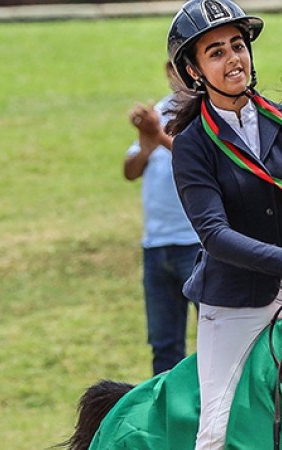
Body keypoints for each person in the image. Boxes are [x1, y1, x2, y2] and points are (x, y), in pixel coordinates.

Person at [165, 1, 282, 448]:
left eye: (237, 46)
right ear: (194, 71)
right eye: (216, 52)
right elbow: (215, 234)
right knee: (215, 431)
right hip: (237, 303)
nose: (233, 59)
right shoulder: (191, 146)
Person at [123, 61, 201, 375]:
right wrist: (146, 143)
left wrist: (158, 135)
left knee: (216, 339)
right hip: (156, 245)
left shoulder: (205, 112)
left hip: (195, 243)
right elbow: (129, 171)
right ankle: (168, 419)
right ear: (169, 71)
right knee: (164, 345)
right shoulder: (160, 110)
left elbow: (196, 161)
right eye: (175, 69)